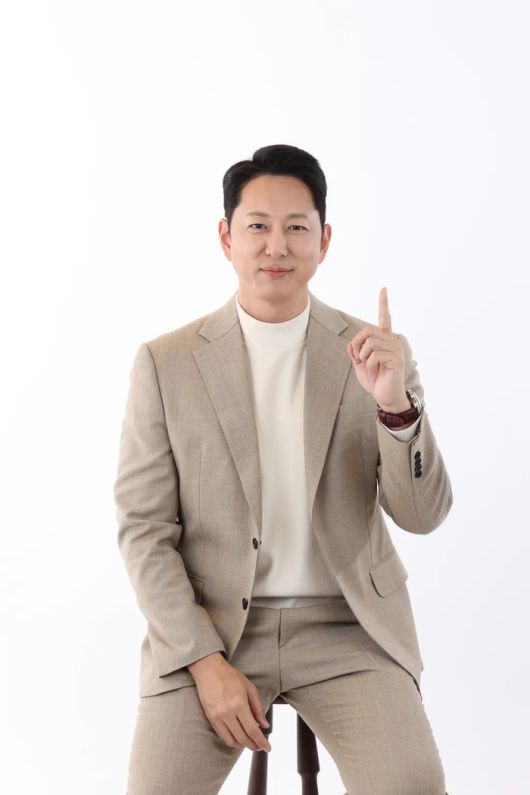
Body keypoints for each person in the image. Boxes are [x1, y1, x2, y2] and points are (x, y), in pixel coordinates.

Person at [114, 143, 452, 794]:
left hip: (349, 631)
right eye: (258, 226)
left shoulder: (376, 352)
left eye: (297, 227)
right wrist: (204, 661)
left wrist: (394, 405)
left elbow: (423, 515)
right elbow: (143, 530)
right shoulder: (165, 363)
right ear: (227, 238)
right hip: (211, 629)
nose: (277, 245)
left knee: (411, 784)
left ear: (323, 241)